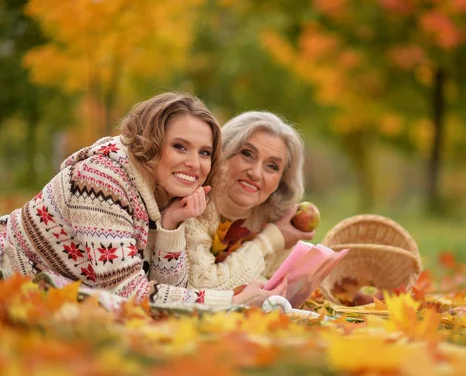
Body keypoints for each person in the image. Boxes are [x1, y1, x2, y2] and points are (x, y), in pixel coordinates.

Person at [0, 92, 285, 309]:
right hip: (9, 279)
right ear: (151, 142)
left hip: (48, 299)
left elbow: (166, 295)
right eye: (179, 147)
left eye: (204, 153)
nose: (194, 164)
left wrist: (171, 227)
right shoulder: (100, 180)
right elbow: (128, 293)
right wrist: (232, 301)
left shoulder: (168, 196)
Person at [182, 111, 315, 292]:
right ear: (222, 153)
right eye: (247, 154)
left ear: (281, 181)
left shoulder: (279, 219)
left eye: (271, 166)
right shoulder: (195, 202)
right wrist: (268, 240)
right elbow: (202, 286)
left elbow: (281, 293)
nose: (256, 173)